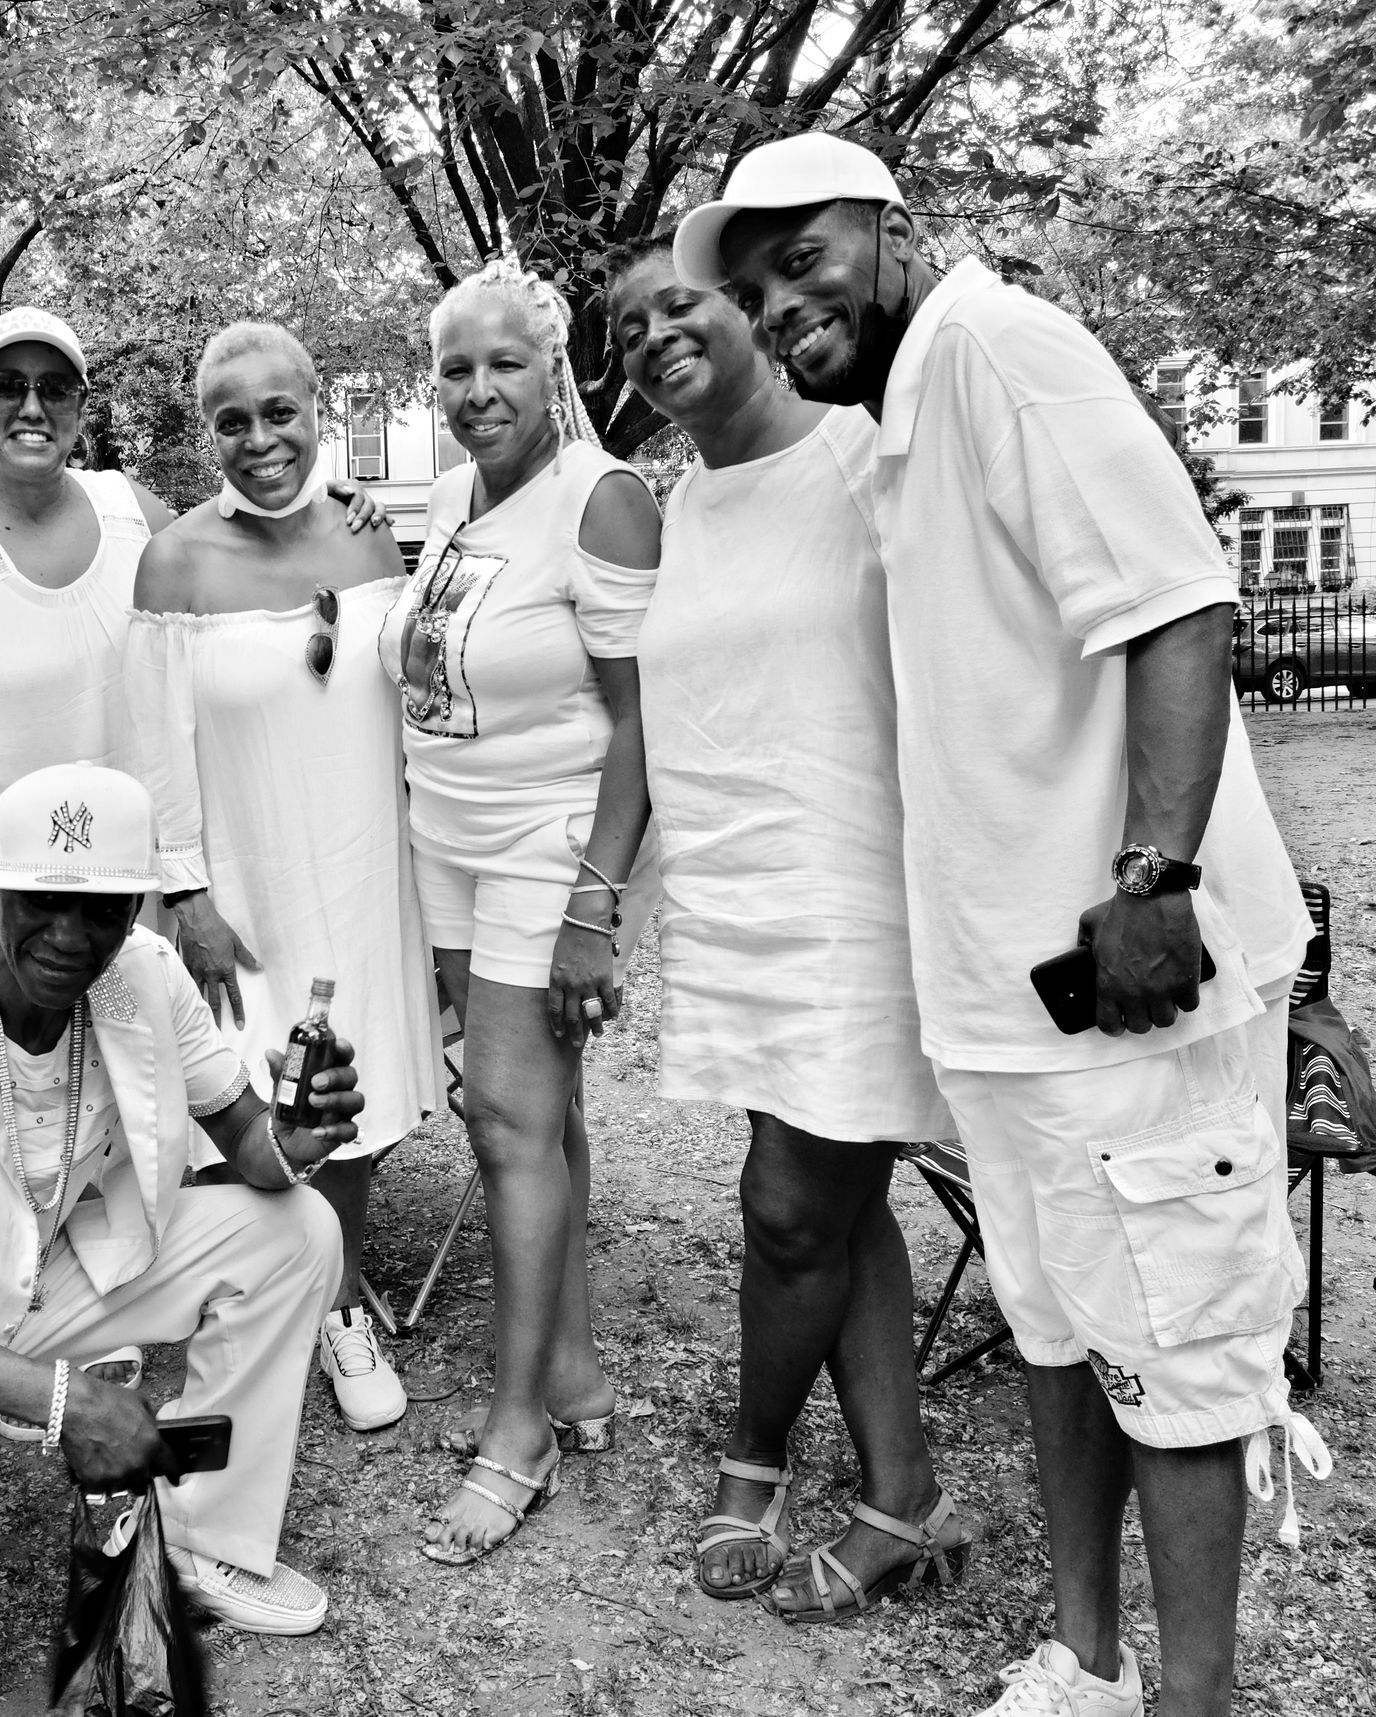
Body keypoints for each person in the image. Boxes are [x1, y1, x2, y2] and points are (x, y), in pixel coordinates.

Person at [691, 133, 1327, 1714]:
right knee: (1064, 1337)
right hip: (1015, 1001)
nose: (780, 307)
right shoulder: (900, 421)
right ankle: (1086, 1664)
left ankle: (1192, 1697)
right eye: (755, 292)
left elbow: (1178, 600)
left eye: (805, 259)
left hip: (1129, 984)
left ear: (893, 229)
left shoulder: (998, 348)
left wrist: (1155, 879)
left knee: (1176, 1361)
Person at [0, 764, 363, 1716]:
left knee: (297, 1230)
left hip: (52, 1269)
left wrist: (295, 1141)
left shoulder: (147, 973)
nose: (69, 934)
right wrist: (66, 1400)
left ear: (135, 909)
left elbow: (249, 1141)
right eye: (43, 901)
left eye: (100, 909)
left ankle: (205, 1537)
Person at [605, 239, 974, 1619]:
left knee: (787, 1205)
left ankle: (753, 1456)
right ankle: (904, 1498)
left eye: (679, 303)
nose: (653, 334)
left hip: (860, 896)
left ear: (750, 309)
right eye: (627, 327)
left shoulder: (866, 453)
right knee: (839, 1201)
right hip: (739, 895)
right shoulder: (678, 506)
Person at [378, 260, 663, 1564]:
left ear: (554, 370)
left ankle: (517, 1430)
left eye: (504, 364)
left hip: (551, 847)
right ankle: (577, 1372)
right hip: (448, 839)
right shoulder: (447, 497)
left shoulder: (602, 498)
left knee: (502, 1121)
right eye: (455, 368)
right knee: (542, 1117)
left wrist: (593, 910)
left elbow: (639, 721)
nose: (478, 390)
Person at [126, 321, 442, 1435]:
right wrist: (188, 898)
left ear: (316, 408)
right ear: (206, 430)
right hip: (244, 880)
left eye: (280, 412)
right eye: (232, 421)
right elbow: (154, 746)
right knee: (247, 1093)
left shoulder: (372, 534)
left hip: (361, 860)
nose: (260, 439)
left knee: (349, 1092)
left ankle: (339, 1301)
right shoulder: (174, 560)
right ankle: (249, 1303)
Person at [0, 307, 386, 931]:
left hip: (131, 900)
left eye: (56, 388)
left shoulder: (130, 510)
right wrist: (14, 904)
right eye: (5, 386)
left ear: (80, 407)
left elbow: (232, 565)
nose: (32, 407)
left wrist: (321, 505)